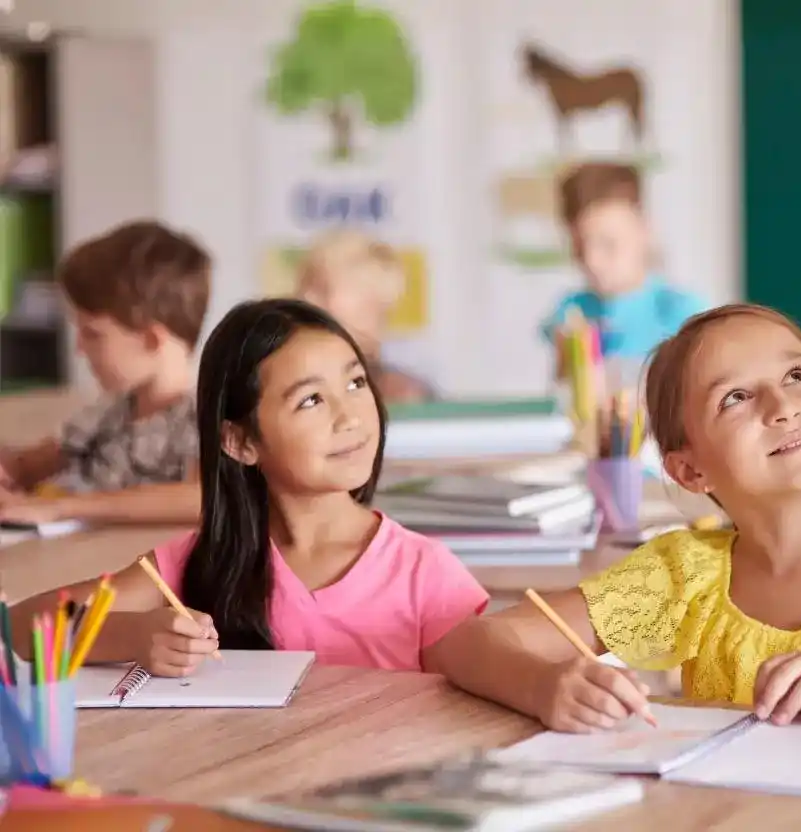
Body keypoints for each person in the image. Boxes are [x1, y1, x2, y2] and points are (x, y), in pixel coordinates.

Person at [426, 304, 801, 731]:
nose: (782, 408)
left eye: (797, 377)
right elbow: (465, 645)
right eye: (735, 397)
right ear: (688, 471)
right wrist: (547, 684)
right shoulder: (684, 574)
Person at [8, 298, 487, 674]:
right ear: (238, 441)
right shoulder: (199, 560)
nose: (351, 416)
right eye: (312, 399)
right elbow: (22, 624)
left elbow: (487, 676)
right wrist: (129, 636)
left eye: (357, 384)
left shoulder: (425, 573)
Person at [0, 220, 209, 525]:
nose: (79, 350)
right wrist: (11, 470)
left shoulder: (205, 419)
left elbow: (201, 498)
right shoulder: (106, 412)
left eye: (93, 334)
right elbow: (30, 464)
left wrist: (66, 507)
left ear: (151, 339)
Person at [538, 162, 705, 379]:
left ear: (644, 230)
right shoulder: (570, 311)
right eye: (579, 246)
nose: (591, 260)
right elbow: (563, 393)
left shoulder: (683, 314)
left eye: (608, 243)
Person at [297, 229, 435, 403]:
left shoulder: (405, 394)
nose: (304, 299)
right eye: (303, 286)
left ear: (370, 302)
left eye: (322, 289)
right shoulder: (279, 383)